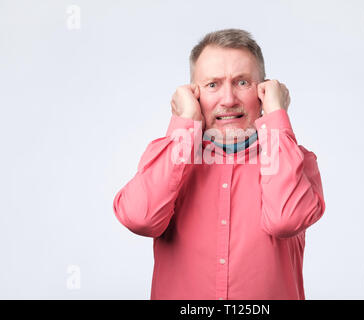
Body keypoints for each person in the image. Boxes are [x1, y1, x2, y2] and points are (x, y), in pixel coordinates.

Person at [113, 28, 326, 300]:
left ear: (263, 92)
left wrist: (276, 115)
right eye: (212, 85)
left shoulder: (295, 161)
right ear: (194, 94)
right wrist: (185, 122)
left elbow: (286, 220)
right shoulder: (169, 157)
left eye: (242, 83)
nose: (228, 99)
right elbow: (139, 218)